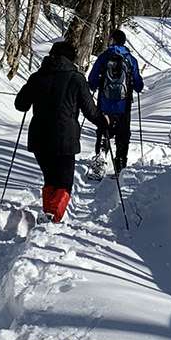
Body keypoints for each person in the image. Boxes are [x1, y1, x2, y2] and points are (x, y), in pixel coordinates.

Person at [14, 41, 106, 222]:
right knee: (64, 181)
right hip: (65, 138)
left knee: (50, 178)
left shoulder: (38, 76)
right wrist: (105, 123)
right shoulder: (76, 78)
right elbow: (90, 111)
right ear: (72, 58)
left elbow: (20, 105)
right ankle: (52, 216)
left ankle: (49, 213)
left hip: (39, 137)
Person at [88, 29, 144, 175]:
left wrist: (95, 85)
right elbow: (139, 85)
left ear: (112, 40)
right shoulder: (131, 59)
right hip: (123, 105)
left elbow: (92, 80)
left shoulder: (104, 57)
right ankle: (120, 162)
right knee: (123, 133)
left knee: (103, 130)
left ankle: (100, 155)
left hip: (104, 103)